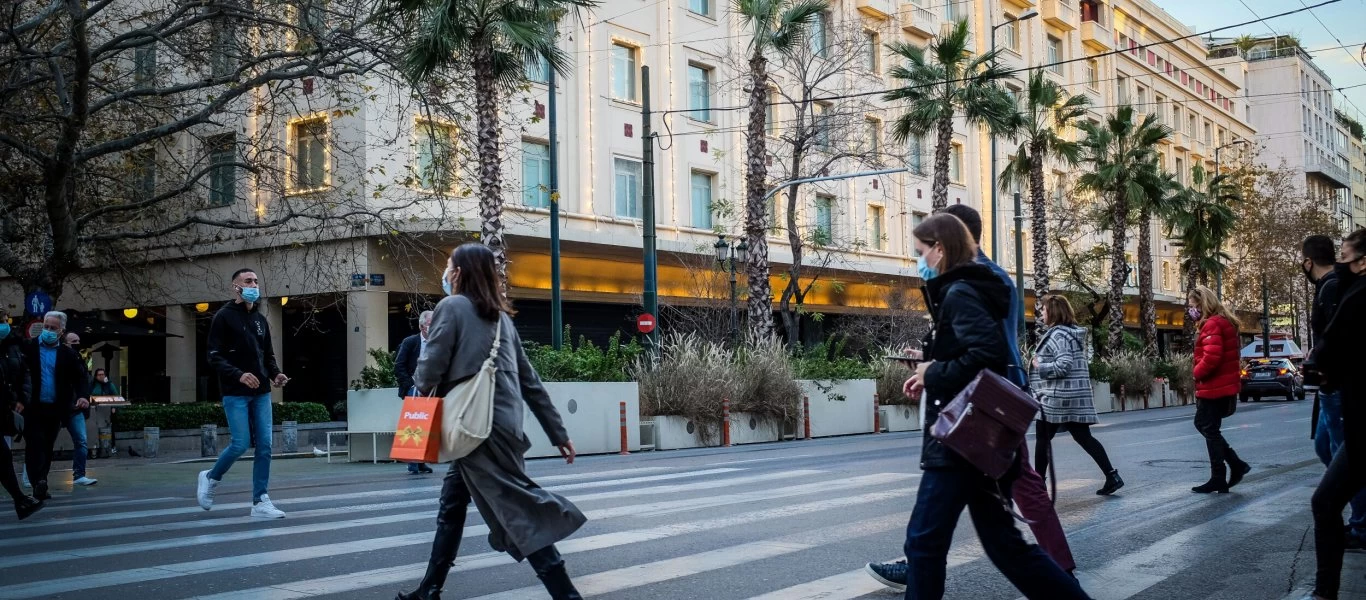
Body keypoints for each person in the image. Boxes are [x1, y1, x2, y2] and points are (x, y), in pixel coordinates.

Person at [865, 204, 1078, 591]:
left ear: (942, 247)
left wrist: (934, 372)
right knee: (1004, 545)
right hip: (975, 421)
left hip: (965, 429)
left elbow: (986, 352)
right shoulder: (975, 282)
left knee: (927, 542)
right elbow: (973, 347)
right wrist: (930, 363)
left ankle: (1061, 568)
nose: (918, 261)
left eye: (920, 252)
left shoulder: (964, 287)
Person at [397, 243, 584, 600]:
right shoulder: (501, 320)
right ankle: (429, 589)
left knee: (518, 513)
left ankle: (568, 596)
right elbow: (530, 382)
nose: (446, 272)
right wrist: (558, 433)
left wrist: (423, 374)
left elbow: (428, 371)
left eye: (450, 265)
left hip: (473, 427)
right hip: (500, 426)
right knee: (452, 505)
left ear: (460, 272)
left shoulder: (451, 307)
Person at [197, 268, 289, 519]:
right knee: (240, 443)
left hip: (261, 392)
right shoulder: (223, 317)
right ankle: (211, 477)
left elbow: (267, 355)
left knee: (265, 446)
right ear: (235, 287)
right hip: (235, 391)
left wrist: (276, 374)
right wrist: (238, 374)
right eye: (248, 281)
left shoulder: (260, 319)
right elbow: (214, 356)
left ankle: (260, 501)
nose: (254, 285)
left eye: (256, 281)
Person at [1307, 228, 1366, 600]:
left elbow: (1331, 345)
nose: (1338, 263)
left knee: (1325, 501)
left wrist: (1322, 366)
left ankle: (1325, 591)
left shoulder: (1357, 296)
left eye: (1345, 257)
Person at [1031, 295, 1122, 496]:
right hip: (1074, 395)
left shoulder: (1058, 335)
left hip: (1057, 397)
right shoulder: (1071, 333)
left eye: (1044, 310)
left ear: (1053, 312)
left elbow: (1064, 364)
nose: (1041, 313)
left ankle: (1038, 485)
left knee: (1042, 438)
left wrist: (1040, 366)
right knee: (1083, 437)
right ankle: (1112, 476)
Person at [20, 311, 91, 501]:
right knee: (34, 444)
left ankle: (42, 480)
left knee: (47, 445)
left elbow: (80, 377)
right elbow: (18, 375)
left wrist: (83, 396)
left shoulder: (68, 354)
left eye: (53, 328)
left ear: (61, 331)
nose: (49, 331)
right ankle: (37, 481)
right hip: (33, 407)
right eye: (46, 327)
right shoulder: (29, 348)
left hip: (55, 408)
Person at [1187, 285, 1250, 494]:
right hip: (1222, 386)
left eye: (1193, 306)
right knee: (1208, 427)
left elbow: (1212, 357)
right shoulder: (1223, 322)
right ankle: (1227, 470)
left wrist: (1196, 373)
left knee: (1205, 426)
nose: (1191, 310)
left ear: (1202, 304)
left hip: (1214, 387)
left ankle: (1226, 471)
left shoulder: (1212, 324)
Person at [0, 308, 42, 519]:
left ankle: (21, 500)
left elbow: (21, 374)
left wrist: (18, 399)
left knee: (3, 456)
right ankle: (20, 500)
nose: (3, 324)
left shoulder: (13, 346)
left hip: (4, 407)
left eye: (3, 319)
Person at [395, 310, 435, 475]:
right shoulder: (410, 342)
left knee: (427, 426)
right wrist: (410, 385)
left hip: (431, 388)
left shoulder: (438, 342)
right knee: (413, 424)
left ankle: (421, 461)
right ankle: (412, 462)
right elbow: (399, 365)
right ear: (422, 326)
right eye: (430, 323)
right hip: (414, 388)